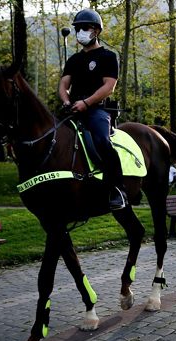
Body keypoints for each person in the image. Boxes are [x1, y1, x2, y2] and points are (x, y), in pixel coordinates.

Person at [59, 8, 126, 211]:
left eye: (85, 28)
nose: (80, 32)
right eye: (78, 28)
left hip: (97, 110)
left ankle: (116, 188)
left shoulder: (108, 56)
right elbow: (63, 86)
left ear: (96, 30)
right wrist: (66, 101)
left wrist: (86, 103)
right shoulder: (73, 60)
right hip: (73, 109)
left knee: (102, 141)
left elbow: (109, 86)